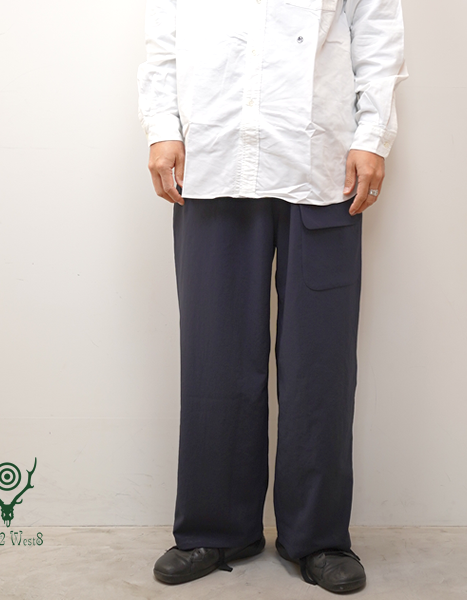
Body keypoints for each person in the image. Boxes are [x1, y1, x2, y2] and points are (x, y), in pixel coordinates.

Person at [137, 0, 407, 593]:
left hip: (323, 163)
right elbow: (164, 42)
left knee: (321, 363)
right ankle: (216, 528)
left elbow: (378, 36)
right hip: (214, 158)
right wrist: (162, 128)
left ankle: (318, 536)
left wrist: (373, 137)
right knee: (214, 356)